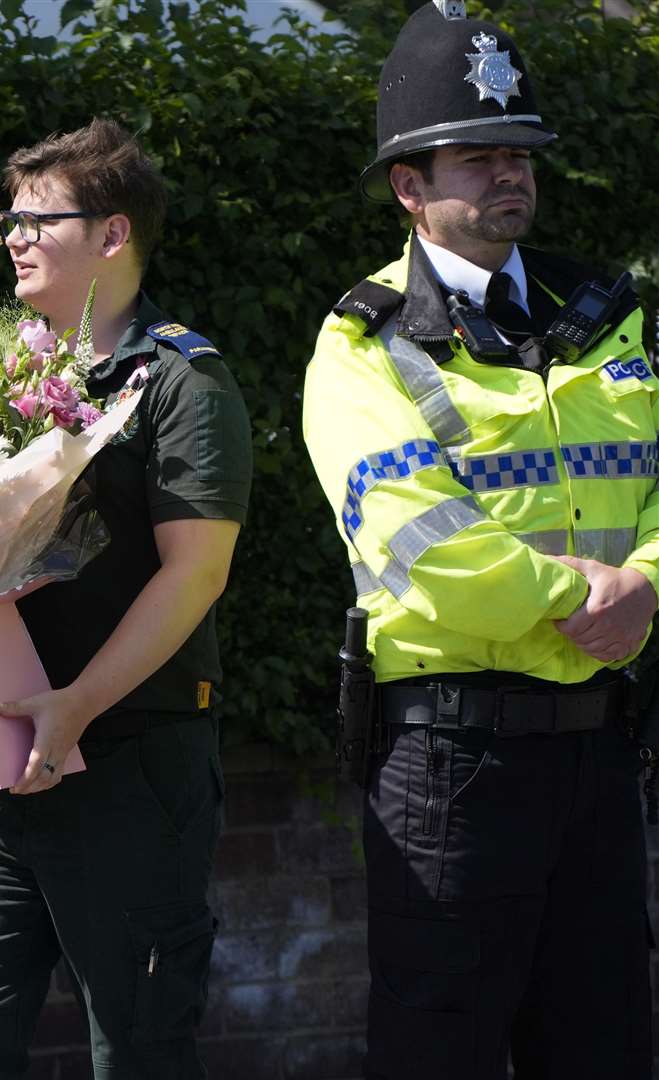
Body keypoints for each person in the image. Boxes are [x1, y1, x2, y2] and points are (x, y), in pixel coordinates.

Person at [301, 4, 654, 1077]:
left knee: (607, 1053)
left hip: (597, 752)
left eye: (520, 152)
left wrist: (647, 581)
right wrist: (591, 601)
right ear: (407, 187)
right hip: (451, 764)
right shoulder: (358, 346)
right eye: (478, 157)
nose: (511, 174)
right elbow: (423, 544)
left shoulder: (607, 312)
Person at [0, 118, 251, 1078]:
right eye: (4, 220)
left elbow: (196, 571)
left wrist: (76, 706)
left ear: (111, 234)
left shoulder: (180, 381)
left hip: (129, 759)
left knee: (136, 1041)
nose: (10, 238)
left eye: (35, 219)